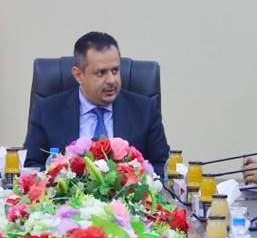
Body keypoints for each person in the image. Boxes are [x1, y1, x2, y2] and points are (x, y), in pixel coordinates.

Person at [23, 31, 170, 170]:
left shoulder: (145, 110)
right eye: (101, 73)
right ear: (78, 75)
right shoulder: (46, 111)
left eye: (115, 70)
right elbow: (31, 166)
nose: (111, 80)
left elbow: (162, 165)